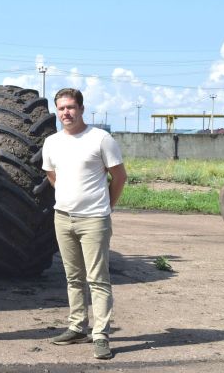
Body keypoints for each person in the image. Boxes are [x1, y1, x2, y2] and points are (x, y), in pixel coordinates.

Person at [42, 88, 127, 360]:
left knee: (98, 279)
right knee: (73, 277)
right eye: (61, 108)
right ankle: (77, 326)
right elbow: (52, 175)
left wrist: (106, 207)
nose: (66, 113)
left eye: (70, 107)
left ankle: (101, 335)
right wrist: (68, 199)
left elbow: (119, 177)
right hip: (63, 218)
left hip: (94, 220)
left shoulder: (100, 139)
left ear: (81, 108)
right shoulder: (52, 142)